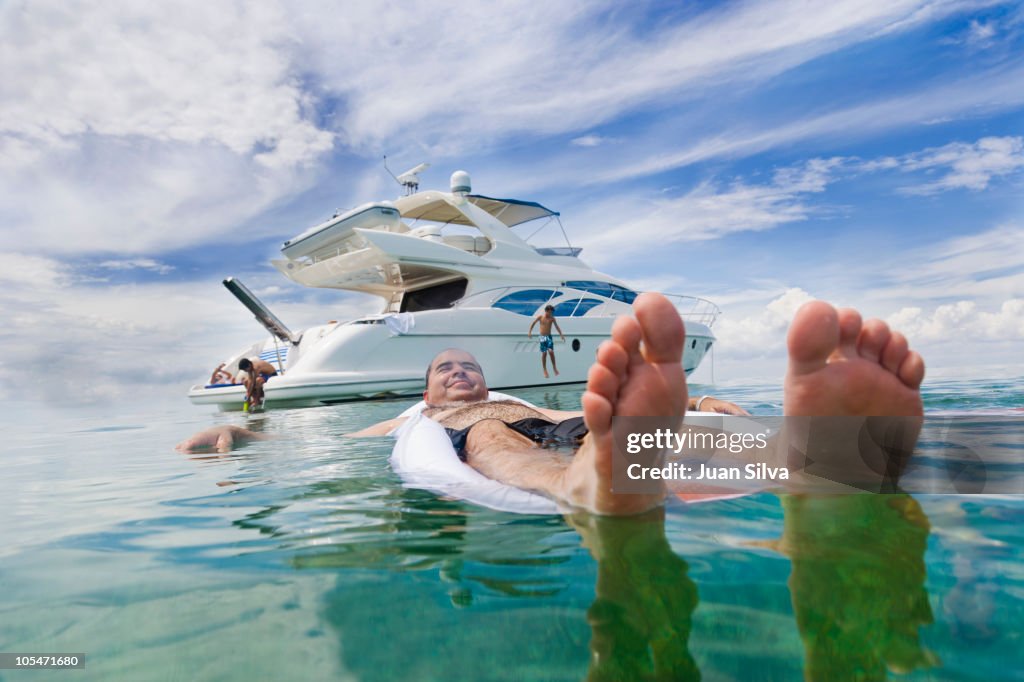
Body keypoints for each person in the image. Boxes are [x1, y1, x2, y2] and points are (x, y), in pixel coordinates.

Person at [179, 293, 925, 515]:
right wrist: (240, 440)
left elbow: (594, 407)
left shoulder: (505, 389)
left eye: (468, 366)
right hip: (499, 442)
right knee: (507, 444)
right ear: (428, 388)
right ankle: (581, 483)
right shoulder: (426, 417)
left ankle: (826, 447)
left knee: (634, 421)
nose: (461, 374)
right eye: (447, 369)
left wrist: (708, 399)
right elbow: (327, 448)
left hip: (561, 422)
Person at [528, 304, 565, 378]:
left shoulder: (552, 318)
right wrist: (530, 331)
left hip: (549, 337)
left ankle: (554, 367)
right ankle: (545, 370)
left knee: (551, 352)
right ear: (546, 311)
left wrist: (561, 335)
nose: (551, 314)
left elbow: (557, 327)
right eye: (550, 312)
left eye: (552, 312)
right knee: (544, 353)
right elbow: (533, 323)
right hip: (542, 337)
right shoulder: (540, 317)